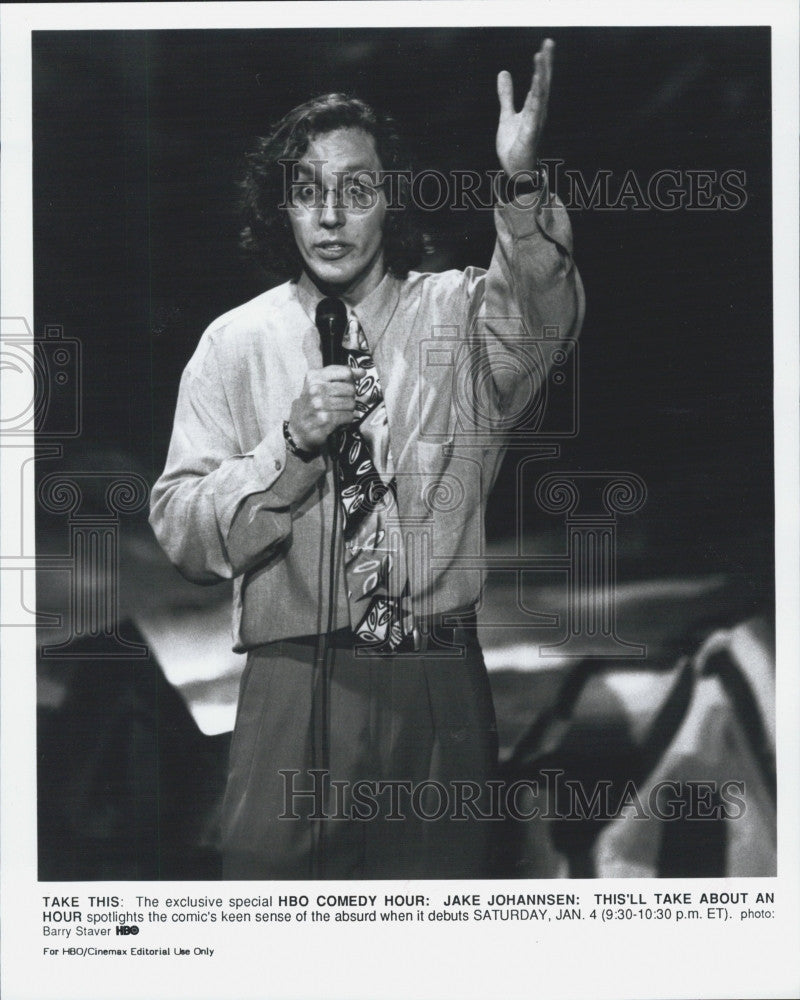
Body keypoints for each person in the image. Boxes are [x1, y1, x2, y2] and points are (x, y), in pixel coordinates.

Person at [150, 39, 584, 879]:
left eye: (357, 189)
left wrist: (522, 182)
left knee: (433, 930)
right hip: (289, 680)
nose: (331, 216)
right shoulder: (232, 346)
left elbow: (543, 312)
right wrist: (288, 447)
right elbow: (179, 527)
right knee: (272, 927)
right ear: (282, 207)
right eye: (308, 191)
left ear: (391, 201)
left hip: (435, 680)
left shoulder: (460, 315)